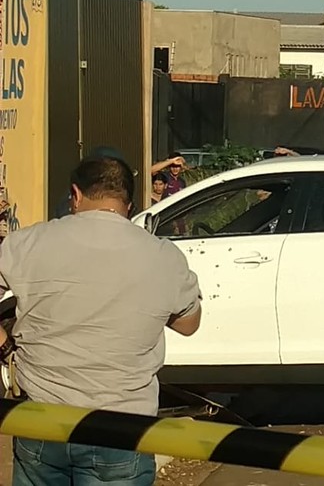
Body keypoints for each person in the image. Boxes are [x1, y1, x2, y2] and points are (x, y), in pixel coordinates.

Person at [1, 156, 202, 486]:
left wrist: (5, 344)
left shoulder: (27, 243)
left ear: (75, 195)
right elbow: (188, 324)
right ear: (129, 204)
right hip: (122, 428)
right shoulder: (163, 255)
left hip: (40, 421)